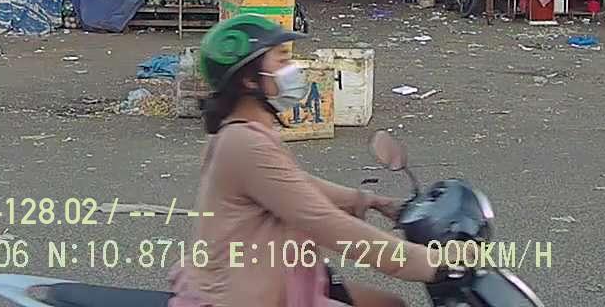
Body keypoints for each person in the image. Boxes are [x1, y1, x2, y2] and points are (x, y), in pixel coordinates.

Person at [164, 15, 464, 307]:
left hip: (271, 278)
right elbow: (326, 223)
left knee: (390, 304)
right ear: (249, 80)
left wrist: (371, 201)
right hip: (245, 295)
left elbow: (296, 183)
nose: (293, 69)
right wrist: (430, 262)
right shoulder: (244, 144)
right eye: (281, 60)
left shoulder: (240, 132)